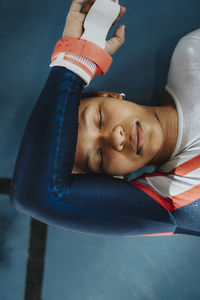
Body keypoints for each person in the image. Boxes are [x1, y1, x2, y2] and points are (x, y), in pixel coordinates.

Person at [10, 0, 200, 237]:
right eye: (100, 157)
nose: (117, 138)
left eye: (100, 118)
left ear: (110, 96)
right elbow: (38, 196)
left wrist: (81, 54)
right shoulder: (168, 201)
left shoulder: (194, 55)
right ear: (113, 180)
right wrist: (75, 62)